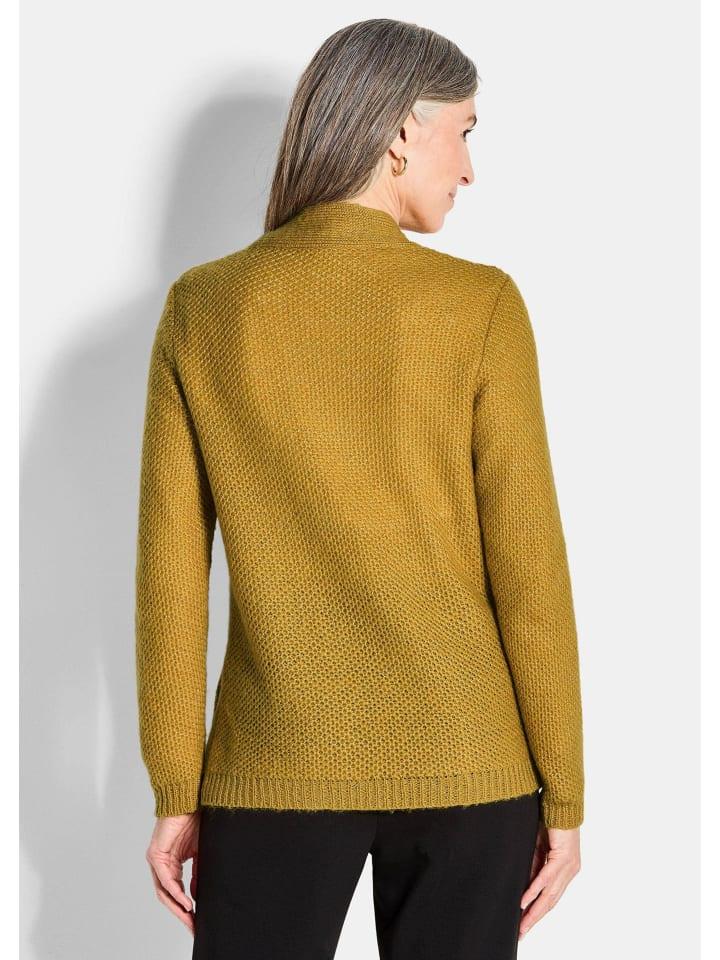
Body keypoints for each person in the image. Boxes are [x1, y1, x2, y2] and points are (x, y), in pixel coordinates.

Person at [134, 17, 584, 960]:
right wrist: (565, 795)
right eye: (465, 131)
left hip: (273, 768)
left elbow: (169, 580)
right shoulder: (479, 307)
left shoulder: (204, 308)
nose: (470, 170)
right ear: (403, 131)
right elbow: (530, 573)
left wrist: (177, 787)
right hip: (471, 762)